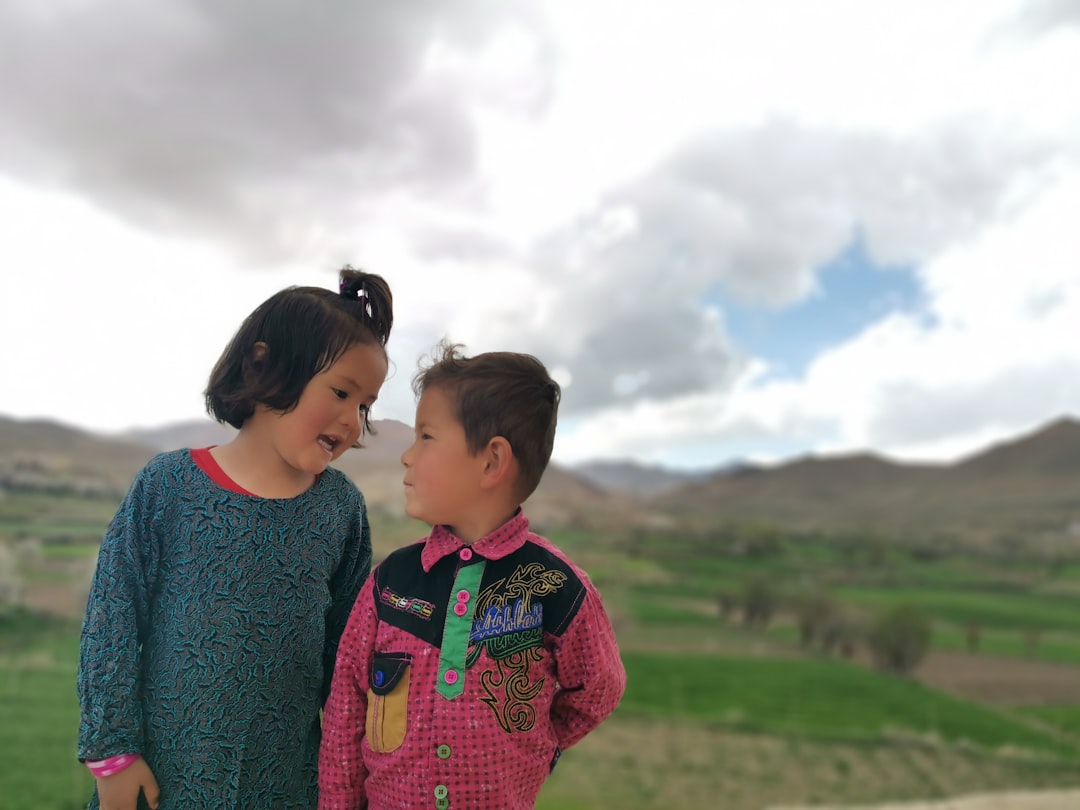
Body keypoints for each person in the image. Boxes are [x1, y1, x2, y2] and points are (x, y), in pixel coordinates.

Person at [77, 267, 393, 810]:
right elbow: (113, 616)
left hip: (289, 785)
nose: (353, 422)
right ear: (263, 363)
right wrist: (113, 755)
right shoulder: (169, 485)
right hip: (163, 783)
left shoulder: (340, 509)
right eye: (341, 392)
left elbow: (348, 658)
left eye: (364, 406)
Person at [318, 342, 626, 810]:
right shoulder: (391, 582)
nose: (407, 456)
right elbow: (347, 706)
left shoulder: (556, 588)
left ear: (491, 462)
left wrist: (537, 747)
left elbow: (599, 688)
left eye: (426, 437)